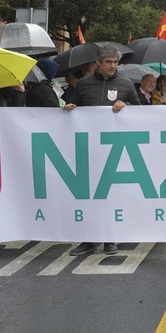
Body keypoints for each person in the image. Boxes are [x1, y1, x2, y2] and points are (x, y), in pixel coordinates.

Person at [63, 44, 140, 257]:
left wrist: (127, 106)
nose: (113, 66)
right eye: (109, 62)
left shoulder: (126, 84)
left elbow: (141, 111)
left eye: (115, 62)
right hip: (89, 149)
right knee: (88, 196)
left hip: (115, 150)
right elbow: (75, 107)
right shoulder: (84, 84)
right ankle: (88, 240)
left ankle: (109, 239)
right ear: (98, 63)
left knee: (111, 196)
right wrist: (70, 108)